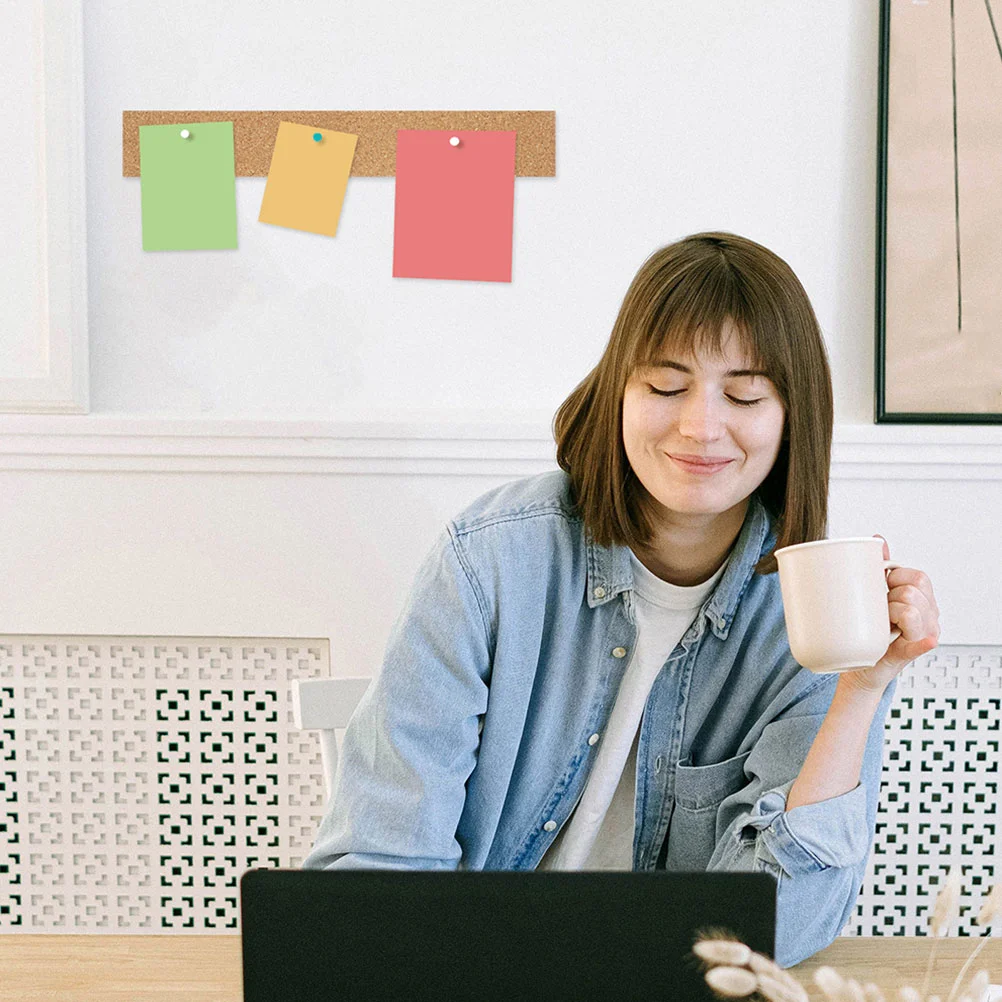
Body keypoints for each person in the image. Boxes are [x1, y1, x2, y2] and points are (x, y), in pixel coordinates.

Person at [302, 231, 941, 967]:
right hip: (471, 974)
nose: (701, 427)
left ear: (792, 415)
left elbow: (776, 930)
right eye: (665, 386)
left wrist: (860, 688)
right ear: (618, 393)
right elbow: (379, 875)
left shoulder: (821, 610)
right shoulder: (490, 560)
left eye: (744, 393)